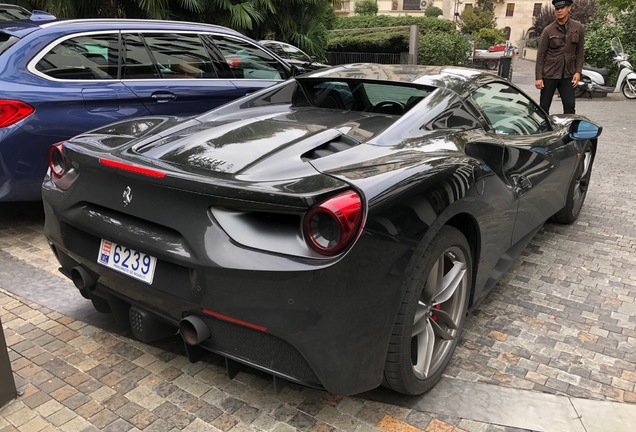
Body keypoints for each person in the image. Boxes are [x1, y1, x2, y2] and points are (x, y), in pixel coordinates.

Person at [535, 0, 585, 114]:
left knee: (570, 106)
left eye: (562, 8)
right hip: (549, 74)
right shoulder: (548, 30)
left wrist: (578, 72)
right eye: (557, 8)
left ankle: (568, 130)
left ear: (569, 8)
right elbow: (540, 55)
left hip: (568, 74)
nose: (559, 10)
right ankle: (543, 130)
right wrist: (538, 77)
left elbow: (580, 52)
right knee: (544, 106)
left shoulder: (578, 28)